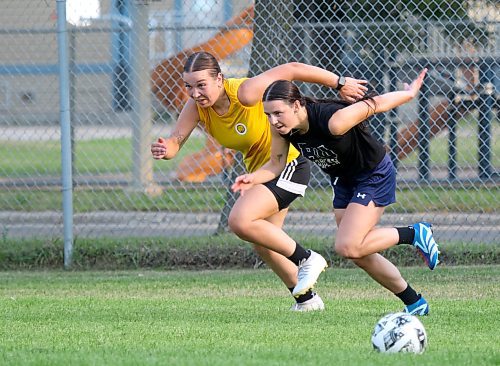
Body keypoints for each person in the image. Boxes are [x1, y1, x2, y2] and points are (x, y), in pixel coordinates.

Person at [151, 51, 368, 311]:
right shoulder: (196, 108)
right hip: (259, 174)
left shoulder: (245, 92)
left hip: (288, 164)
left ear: (219, 79)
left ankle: (307, 258)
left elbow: (292, 67)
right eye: (188, 86)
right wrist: (166, 149)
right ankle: (307, 301)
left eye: (201, 85)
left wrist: (340, 82)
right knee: (263, 244)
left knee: (240, 220)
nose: (195, 93)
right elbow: (176, 140)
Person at [231, 69, 439, 315]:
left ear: (297, 105)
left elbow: (376, 104)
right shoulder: (283, 129)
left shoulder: (334, 121)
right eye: (268, 115)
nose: (273, 120)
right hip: (343, 180)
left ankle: (414, 233)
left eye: (278, 113)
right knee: (358, 252)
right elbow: (276, 164)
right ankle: (415, 302)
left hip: (373, 175)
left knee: (348, 246)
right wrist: (252, 178)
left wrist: (409, 94)